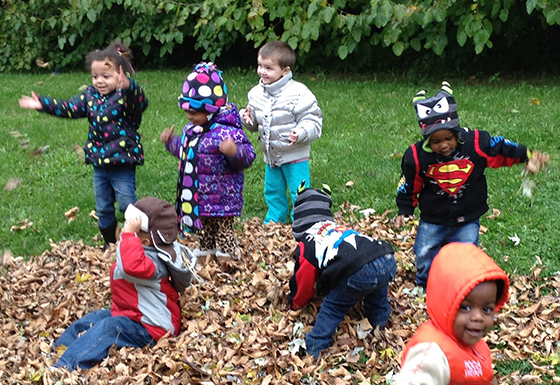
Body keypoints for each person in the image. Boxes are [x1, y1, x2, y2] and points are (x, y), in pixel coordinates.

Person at [395, 81, 549, 288]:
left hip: (468, 216)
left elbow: (501, 148)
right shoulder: (416, 156)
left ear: (456, 131)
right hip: (433, 218)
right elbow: (409, 184)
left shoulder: (476, 143)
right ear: (426, 139)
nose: (443, 145)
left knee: (467, 253)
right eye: (435, 141)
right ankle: (425, 285)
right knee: (425, 251)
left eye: (449, 138)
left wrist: (527, 155)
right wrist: (405, 209)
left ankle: (462, 285)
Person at [18, 42, 148, 247]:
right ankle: (111, 244)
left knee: (127, 205)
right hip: (99, 163)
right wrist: (43, 104)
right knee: (103, 207)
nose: (99, 81)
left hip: (122, 162)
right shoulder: (90, 96)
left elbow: (141, 104)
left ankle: (137, 241)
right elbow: (69, 108)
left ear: (120, 76)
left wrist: (130, 87)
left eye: (106, 76)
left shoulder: (126, 97)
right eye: (95, 76)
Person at [52, 197, 196, 371]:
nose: (126, 230)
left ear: (145, 242)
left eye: (134, 230)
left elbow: (130, 266)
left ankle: (65, 366)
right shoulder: (143, 251)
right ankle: (57, 351)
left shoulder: (155, 264)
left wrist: (128, 235)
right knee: (95, 318)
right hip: (134, 315)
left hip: (153, 327)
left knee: (109, 329)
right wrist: (131, 234)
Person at [288, 182, 396, 358]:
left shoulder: (308, 242)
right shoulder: (335, 229)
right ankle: (380, 325)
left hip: (359, 270)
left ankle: (315, 346)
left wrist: (296, 302)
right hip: (386, 257)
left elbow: (304, 279)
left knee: (333, 307)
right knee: (377, 292)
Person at [160, 62, 255, 260]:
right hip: (199, 196)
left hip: (223, 198)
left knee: (223, 231)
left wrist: (234, 152)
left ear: (210, 109)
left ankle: (228, 257)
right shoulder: (191, 130)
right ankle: (206, 254)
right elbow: (186, 153)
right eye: (187, 112)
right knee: (205, 230)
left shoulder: (228, 131)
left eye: (193, 113)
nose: (189, 116)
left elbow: (248, 157)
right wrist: (171, 143)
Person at [394, 242, 510, 385]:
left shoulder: (470, 343)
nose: (478, 317)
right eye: (466, 307)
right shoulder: (432, 355)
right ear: (445, 303)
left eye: (487, 309)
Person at [241, 41, 322, 224]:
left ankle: (301, 219)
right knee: (273, 189)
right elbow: (256, 125)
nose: (262, 71)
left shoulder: (299, 93)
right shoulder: (256, 94)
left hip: (294, 154)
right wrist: (248, 121)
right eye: (260, 65)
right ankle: (275, 218)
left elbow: (313, 121)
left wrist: (300, 133)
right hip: (271, 154)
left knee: (299, 190)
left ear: (285, 71)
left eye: (269, 68)